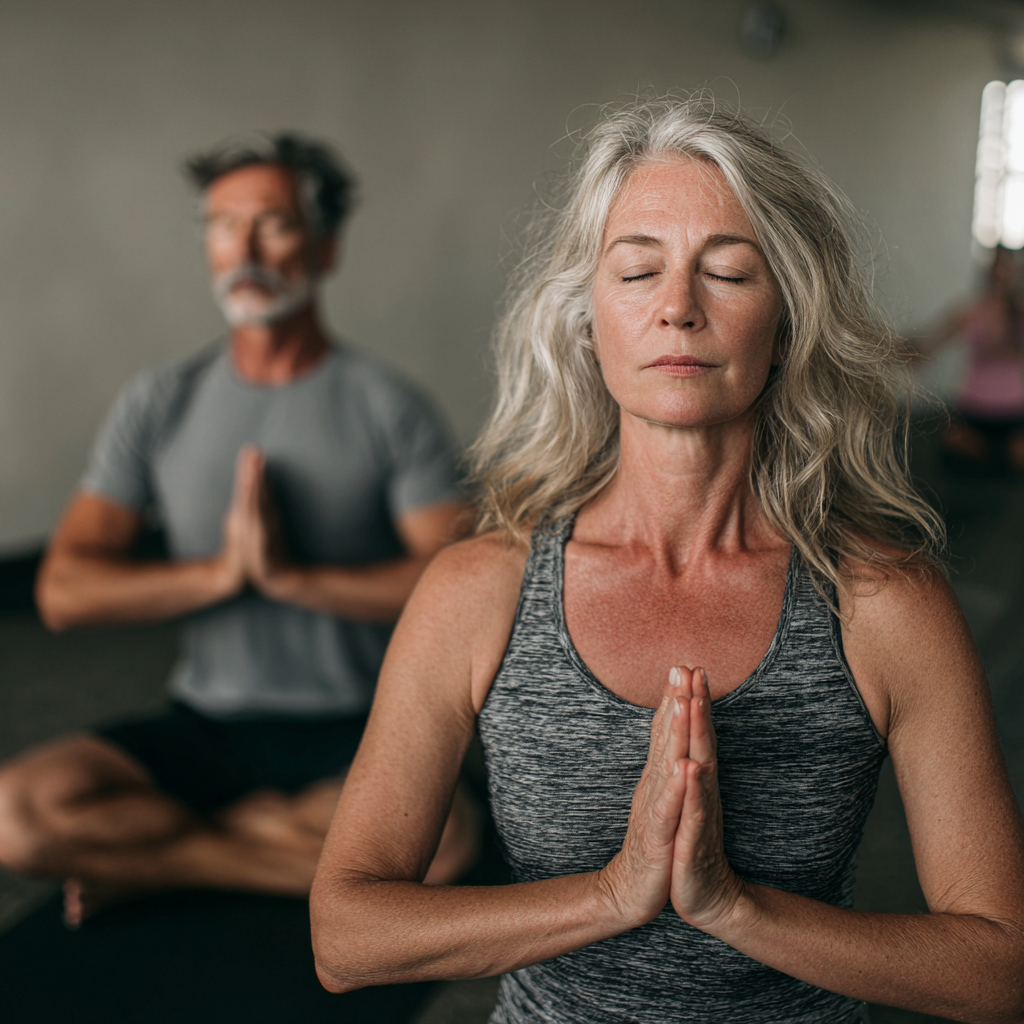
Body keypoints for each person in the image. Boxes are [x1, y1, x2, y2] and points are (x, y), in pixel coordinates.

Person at [309, 97, 1024, 1023]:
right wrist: (615, 893)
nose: (678, 308)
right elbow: (346, 938)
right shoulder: (478, 589)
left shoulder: (881, 601)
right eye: (639, 271)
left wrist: (733, 906)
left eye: (727, 272)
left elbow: (1002, 970)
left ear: (789, 322)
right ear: (588, 319)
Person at [0, 133, 477, 927]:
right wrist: (224, 573)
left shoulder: (388, 406)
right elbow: (62, 593)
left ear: (325, 247)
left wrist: (295, 580)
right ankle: (232, 856)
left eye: (273, 224)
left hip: (355, 727)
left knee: (447, 848)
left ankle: (155, 862)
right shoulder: (161, 401)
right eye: (223, 225)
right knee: (16, 816)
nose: (243, 249)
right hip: (205, 722)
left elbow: (463, 586)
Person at [911, 245, 1024, 473]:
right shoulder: (970, 312)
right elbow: (925, 347)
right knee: (954, 440)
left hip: (1013, 411)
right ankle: (996, 457)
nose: (1000, 270)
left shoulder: (1019, 314)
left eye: (1005, 265)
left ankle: (998, 457)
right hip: (974, 407)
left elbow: (1000, 343)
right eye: (996, 264)